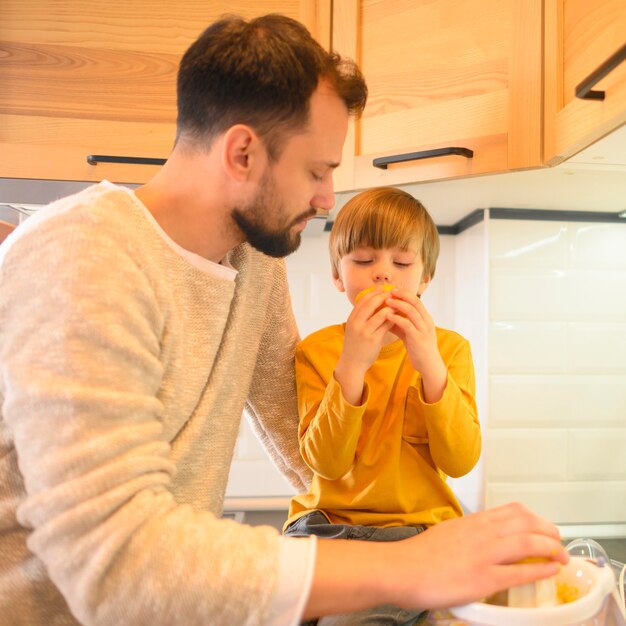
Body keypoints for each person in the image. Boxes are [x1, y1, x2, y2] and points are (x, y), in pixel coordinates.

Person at [0, 12, 567, 626]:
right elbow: (117, 565)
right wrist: (414, 566)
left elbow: (308, 455)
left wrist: (429, 518)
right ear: (243, 152)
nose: (327, 200)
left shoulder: (251, 263)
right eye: (319, 171)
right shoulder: (83, 255)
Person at [283, 187, 480, 624]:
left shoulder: (450, 350)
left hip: (421, 535)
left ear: (425, 277)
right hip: (327, 530)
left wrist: (429, 364)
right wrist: (352, 363)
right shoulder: (316, 351)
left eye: (402, 263)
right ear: (338, 276)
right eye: (364, 260)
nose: (383, 275)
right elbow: (327, 464)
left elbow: (461, 460)